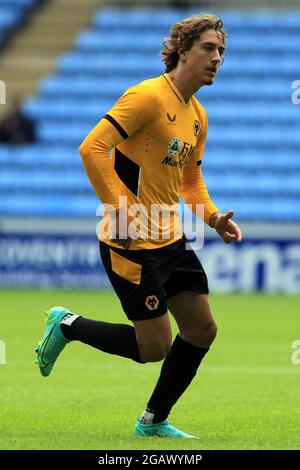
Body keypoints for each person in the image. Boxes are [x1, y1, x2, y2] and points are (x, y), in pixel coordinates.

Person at [36, 14, 242, 438]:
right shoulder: (147, 96)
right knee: (154, 348)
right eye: (208, 48)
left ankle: (153, 421)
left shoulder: (198, 115)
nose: (217, 57)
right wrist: (121, 208)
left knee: (202, 329)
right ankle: (67, 325)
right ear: (182, 51)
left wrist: (212, 217)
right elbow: (92, 148)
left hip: (170, 237)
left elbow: (190, 181)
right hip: (129, 240)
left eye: (221, 50)